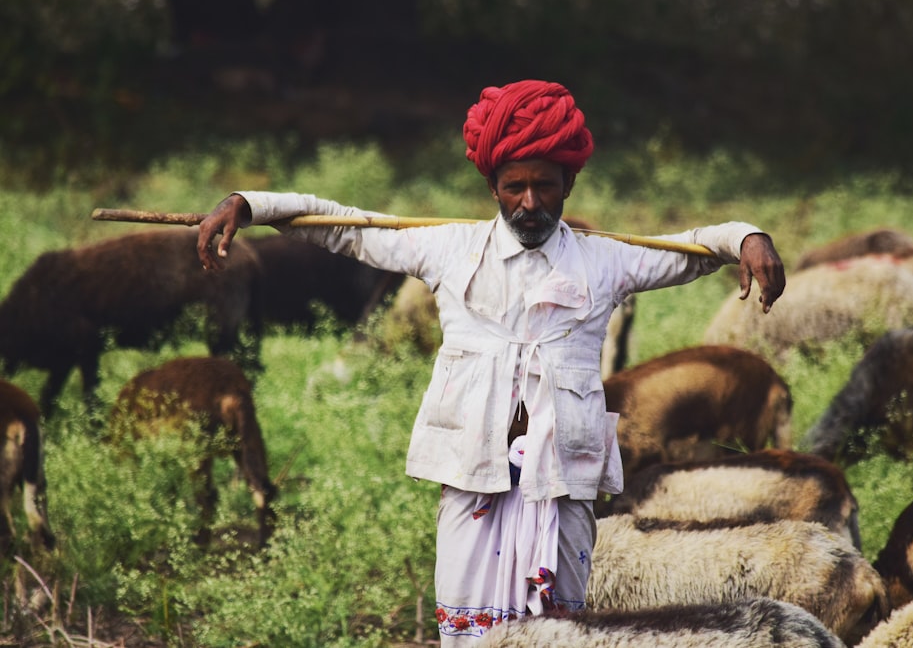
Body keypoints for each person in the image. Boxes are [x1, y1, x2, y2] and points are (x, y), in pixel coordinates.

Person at [197, 79, 786, 645]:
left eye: (545, 187)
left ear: (568, 185)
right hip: (472, 480)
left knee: (561, 636)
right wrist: (246, 204)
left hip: (562, 489)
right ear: (493, 187)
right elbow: (340, 227)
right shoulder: (448, 249)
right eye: (514, 187)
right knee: (469, 638)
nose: (530, 203)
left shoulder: (608, 261)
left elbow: (697, 248)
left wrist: (748, 237)